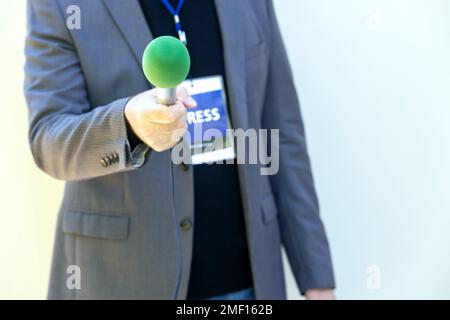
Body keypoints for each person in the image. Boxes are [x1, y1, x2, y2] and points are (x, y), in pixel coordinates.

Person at [24, 0, 335, 300]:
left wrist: (316, 276)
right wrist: (128, 125)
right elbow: (49, 140)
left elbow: (281, 133)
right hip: (123, 279)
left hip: (247, 280)